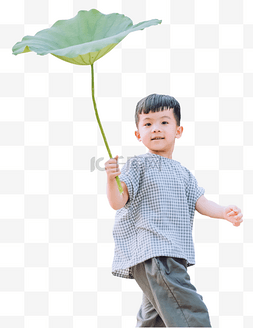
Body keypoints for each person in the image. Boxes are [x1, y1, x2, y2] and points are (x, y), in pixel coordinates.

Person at [105, 94, 243, 327]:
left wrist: (223, 212)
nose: (156, 129)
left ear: (178, 130)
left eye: (164, 122)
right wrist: (111, 179)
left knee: (154, 317)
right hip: (154, 250)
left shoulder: (184, 173)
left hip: (173, 251)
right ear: (138, 134)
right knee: (188, 308)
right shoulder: (138, 164)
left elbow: (201, 202)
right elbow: (118, 201)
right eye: (148, 123)